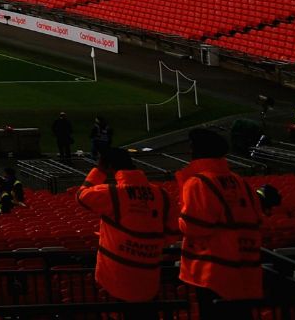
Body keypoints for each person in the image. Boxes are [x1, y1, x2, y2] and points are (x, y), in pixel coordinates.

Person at [177, 128, 265, 310]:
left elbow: (194, 227)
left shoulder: (198, 183)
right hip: (245, 269)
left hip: (213, 273)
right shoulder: (241, 181)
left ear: (196, 151)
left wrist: (179, 218)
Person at [76, 146, 174, 304]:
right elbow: (173, 231)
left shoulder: (113, 193)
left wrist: (98, 172)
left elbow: (81, 195)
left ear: (108, 166)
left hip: (117, 276)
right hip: (149, 274)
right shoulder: (161, 194)